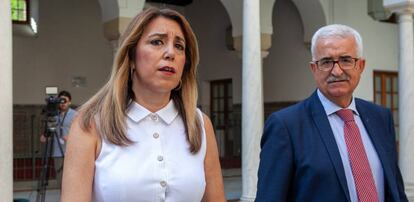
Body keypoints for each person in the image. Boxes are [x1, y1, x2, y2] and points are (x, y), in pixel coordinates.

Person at [61, 7, 225, 202]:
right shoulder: (90, 124)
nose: (170, 52)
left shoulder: (200, 124)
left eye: (179, 46)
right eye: (157, 42)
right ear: (131, 57)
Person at [256, 24, 408, 202]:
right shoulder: (286, 126)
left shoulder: (380, 118)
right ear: (314, 69)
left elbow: (395, 190)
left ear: (360, 65)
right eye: (326, 62)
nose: (336, 71)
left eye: (345, 60)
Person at [40, 90, 77, 186]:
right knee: (61, 181)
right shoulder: (54, 114)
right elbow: (47, 134)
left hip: (71, 151)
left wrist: (71, 137)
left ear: (70, 102)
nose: (63, 103)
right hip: (58, 152)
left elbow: (81, 133)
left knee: (72, 180)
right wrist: (46, 134)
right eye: (61, 101)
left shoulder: (75, 115)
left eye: (65, 101)